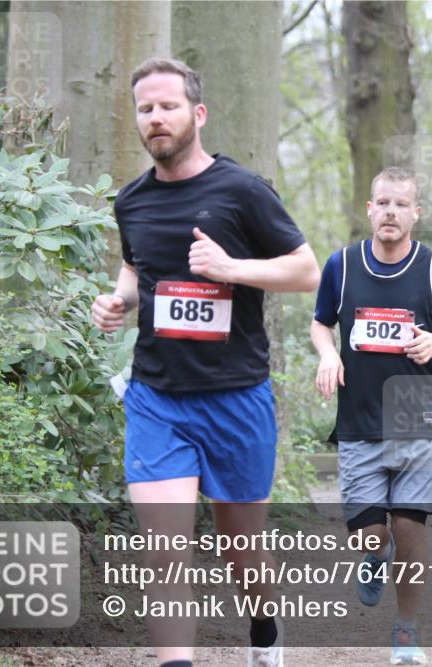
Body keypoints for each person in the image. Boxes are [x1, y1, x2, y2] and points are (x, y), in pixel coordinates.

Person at [91, 57, 319, 667]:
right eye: (145, 109)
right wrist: (118, 299)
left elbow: (306, 271)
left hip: (236, 396)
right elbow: (139, 267)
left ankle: (265, 633)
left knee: (242, 551)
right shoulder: (131, 201)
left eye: (167, 106)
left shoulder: (242, 191)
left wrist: (232, 269)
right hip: (157, 397)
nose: (156, 118)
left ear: (197, 113)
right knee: (164, 549)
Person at [309, 167, 432, 665]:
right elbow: (321, 325)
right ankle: (373, 554)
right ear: (369, 209)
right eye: (382, 203)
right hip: (359, 410)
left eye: (401, 204)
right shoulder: (342, 266)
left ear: (415, 213)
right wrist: (328, 354)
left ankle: (406, 631)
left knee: (411, 524)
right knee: (370, 530)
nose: (390, 212)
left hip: (415, 410)